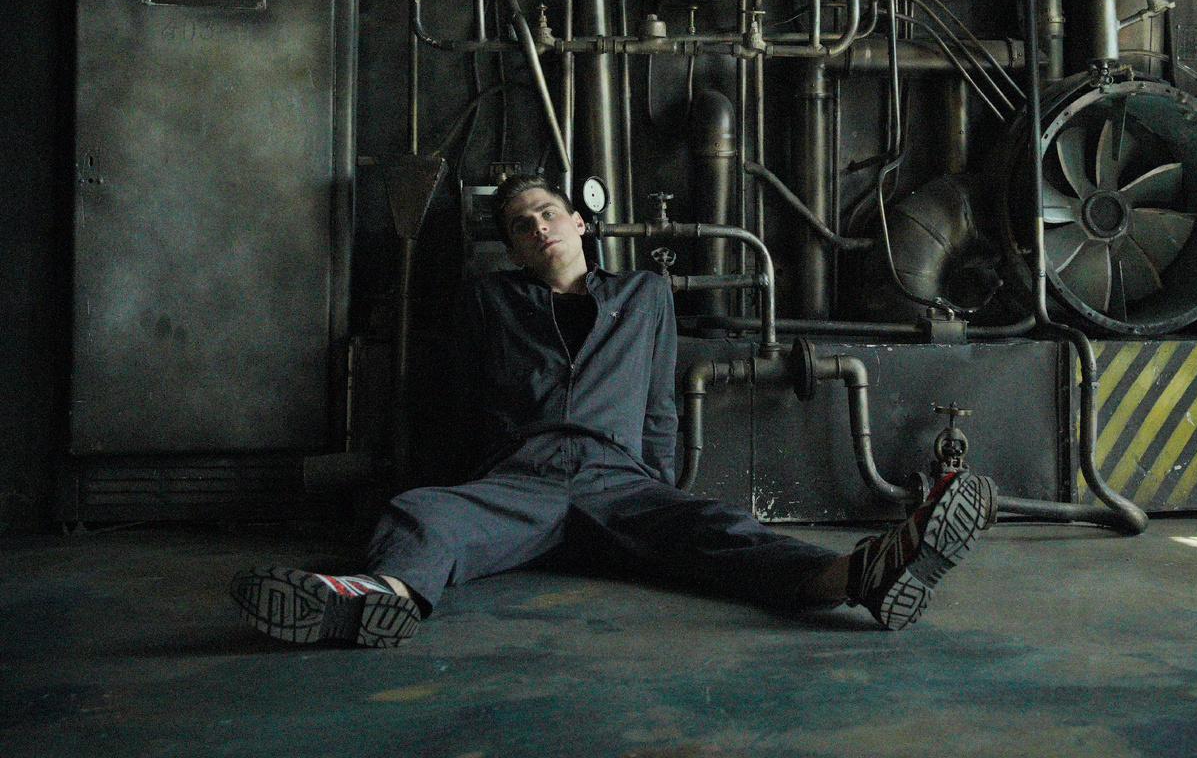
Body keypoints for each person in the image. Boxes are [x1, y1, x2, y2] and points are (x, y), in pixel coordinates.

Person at [230, 173, 996, 647]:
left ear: (580, 223)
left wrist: (652, 488)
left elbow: (660, 402)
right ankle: (373, 599)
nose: (537, 227)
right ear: (514, 249)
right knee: (423, 512)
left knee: (719, 529)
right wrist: (475, 487)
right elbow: (461, 399)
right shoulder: (489, 299)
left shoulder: (645, 295)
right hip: (521, 474)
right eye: (521, 226)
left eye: (546, 213)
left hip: (616, 475)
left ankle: (863, 575)